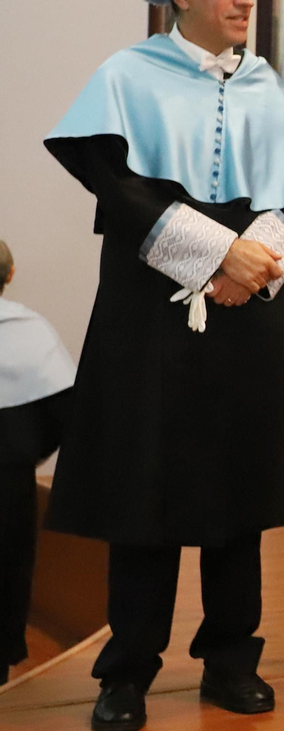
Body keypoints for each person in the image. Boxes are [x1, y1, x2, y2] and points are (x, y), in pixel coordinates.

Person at [44, 0, 284, 731]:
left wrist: (256, 264)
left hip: (251, 313)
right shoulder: (126, 76)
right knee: (147, 488)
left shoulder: (265, 83)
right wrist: (213, 256)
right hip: (152, 315)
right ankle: (127, 669)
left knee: (240, 489)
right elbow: (114, 184)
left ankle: (233, 660)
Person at [0, 241, 76, 685]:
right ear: (10, 276)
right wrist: (26, 453)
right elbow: (64, 410)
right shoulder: (32, 331)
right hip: (8, 479)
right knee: (7, 566)